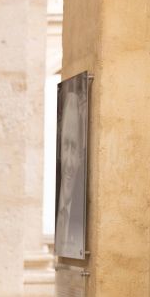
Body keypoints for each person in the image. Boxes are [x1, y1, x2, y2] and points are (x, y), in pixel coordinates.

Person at [55, 88, 86, 258]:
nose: (68, 161)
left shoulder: (80, 218)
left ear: (81, 157)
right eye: (65, 145)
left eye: (74, 148)